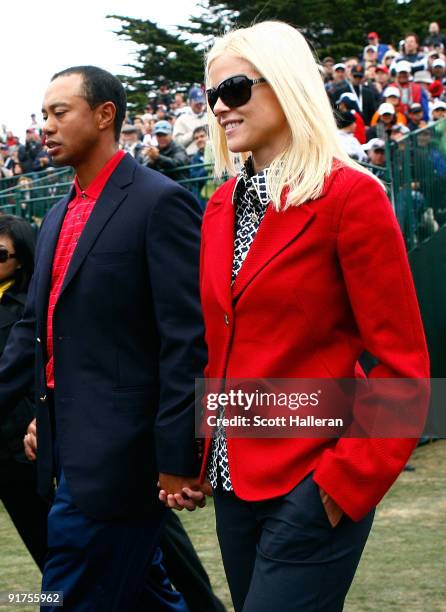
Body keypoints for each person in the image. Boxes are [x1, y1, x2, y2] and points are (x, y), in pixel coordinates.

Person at [173, 21, 429, 612]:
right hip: (235, 482)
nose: (219, 107)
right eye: (210, 94)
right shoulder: (217, 209)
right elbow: (222, 348)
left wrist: (342, 485)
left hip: (315, 481)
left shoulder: (351, 197)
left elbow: (404, 365)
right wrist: (201, 453)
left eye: (233, 88)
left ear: (285, 85)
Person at [0, 65, 207, 611]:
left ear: (104, 115)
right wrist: (44, 414)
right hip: (63, 444)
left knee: (64, 598)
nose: (46, 126)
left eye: (59, 112)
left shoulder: (159, 201)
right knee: (147, 596)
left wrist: (180, 451)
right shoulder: (56, 214)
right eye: (43, 114)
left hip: (125, 455)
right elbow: (37, 330)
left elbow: (185, 339)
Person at [0, 215, 50, 571]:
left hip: (21, 447)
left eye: (0, 254)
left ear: (21, 260)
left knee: (49, 548)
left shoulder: (26, 309)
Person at [173, 87, 208, 155]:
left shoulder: (209, 117)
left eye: (201, 102)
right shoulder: (181, 120)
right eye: (196, 102)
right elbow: (177, 143)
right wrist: (194, 134)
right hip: (192, 157)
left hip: (212, 154)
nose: (199, 105)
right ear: (189, 102)